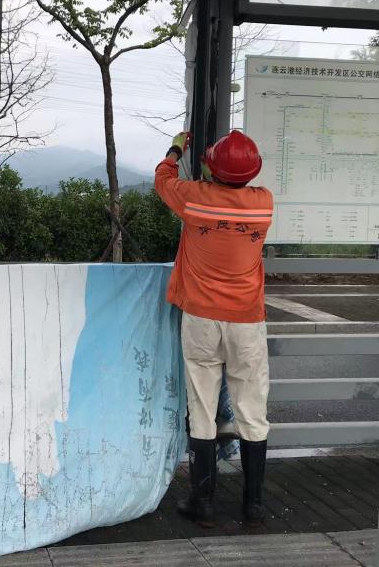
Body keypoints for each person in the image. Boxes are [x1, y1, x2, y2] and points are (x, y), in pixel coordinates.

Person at [154, 130, 273, 528]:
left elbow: (162, 179)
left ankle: (202, 503)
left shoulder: (194, 198)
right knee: (252, 411)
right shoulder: (264, 203)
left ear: (211, 169)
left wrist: (176, 149)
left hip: (202, 319)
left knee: (201, 408)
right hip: (247, 321)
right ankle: (254, 506)